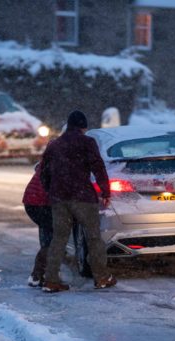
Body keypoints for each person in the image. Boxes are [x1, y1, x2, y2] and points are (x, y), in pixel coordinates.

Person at [39, 110, 116, 292]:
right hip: (83, 198)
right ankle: (102, 277)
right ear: (83, 127)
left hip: (59, 199)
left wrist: (52, 190)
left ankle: (51, 280)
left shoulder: (55, 144)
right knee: (94, 238)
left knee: (59, 239)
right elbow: (98, 166)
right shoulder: (87, 142)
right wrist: (105, 192)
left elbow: (44, 172)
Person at [23, 162, 53, 287]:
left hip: (32, 201)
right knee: (52, 240)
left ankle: (41, 275)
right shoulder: (60, 163)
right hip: (41, 203)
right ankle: (38, 275)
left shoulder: (50, 159)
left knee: (48, 235)